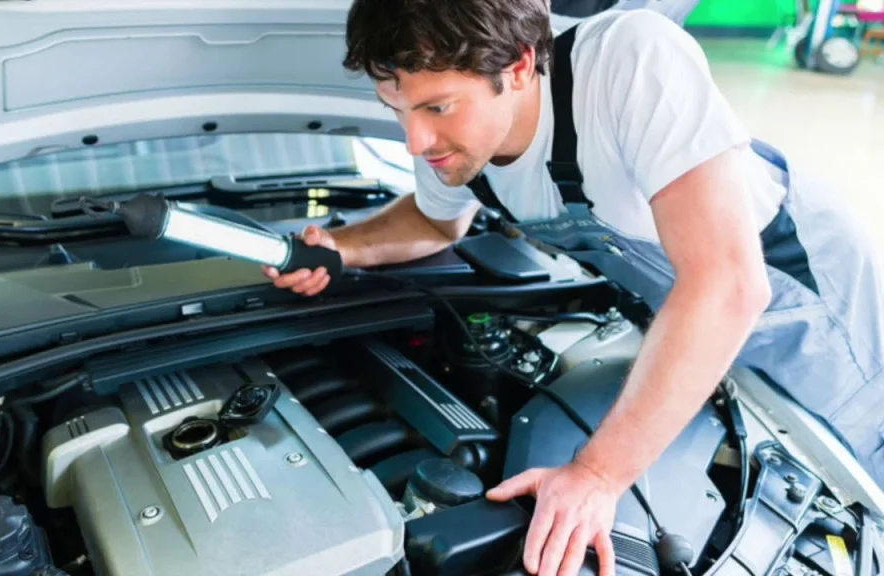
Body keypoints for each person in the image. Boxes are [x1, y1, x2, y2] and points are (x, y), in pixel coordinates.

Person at [262, 1, 884, 575]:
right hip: (690, 317)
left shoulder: (628, 60)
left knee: (858, 483)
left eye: (438, 108)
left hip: (808, 314)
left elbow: (726, 285)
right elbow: (434, 222)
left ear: (519, 65)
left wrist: (596, 475)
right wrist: (343, 245)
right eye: (398, 110)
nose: (415, 142)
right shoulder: (462, 147)